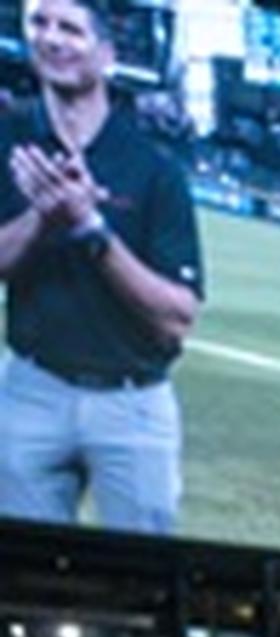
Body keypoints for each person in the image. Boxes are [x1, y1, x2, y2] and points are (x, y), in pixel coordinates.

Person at [0, 0, 201, 534]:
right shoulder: (10, 142)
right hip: (32, 389)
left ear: (107, 56)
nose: (51, 38)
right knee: (23, 577)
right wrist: (44, 218)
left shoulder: (154, 167)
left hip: (133, 403)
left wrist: (91, 228)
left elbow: (178, 316)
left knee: (147, 581)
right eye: (39, 24)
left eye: (70, 28)